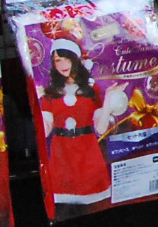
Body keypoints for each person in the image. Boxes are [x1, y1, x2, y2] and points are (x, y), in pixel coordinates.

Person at [37, 38, 111, 207]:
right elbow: (45, 130)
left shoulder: (92, 90)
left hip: (87, 151)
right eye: (57, 60)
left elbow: (101, 128)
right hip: (61, 153)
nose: (62, 64)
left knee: (96, 203)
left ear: (75, 59)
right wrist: (38, 102)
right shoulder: (50, 93)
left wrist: (108, 103)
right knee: (64, 205)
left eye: (66, 58)